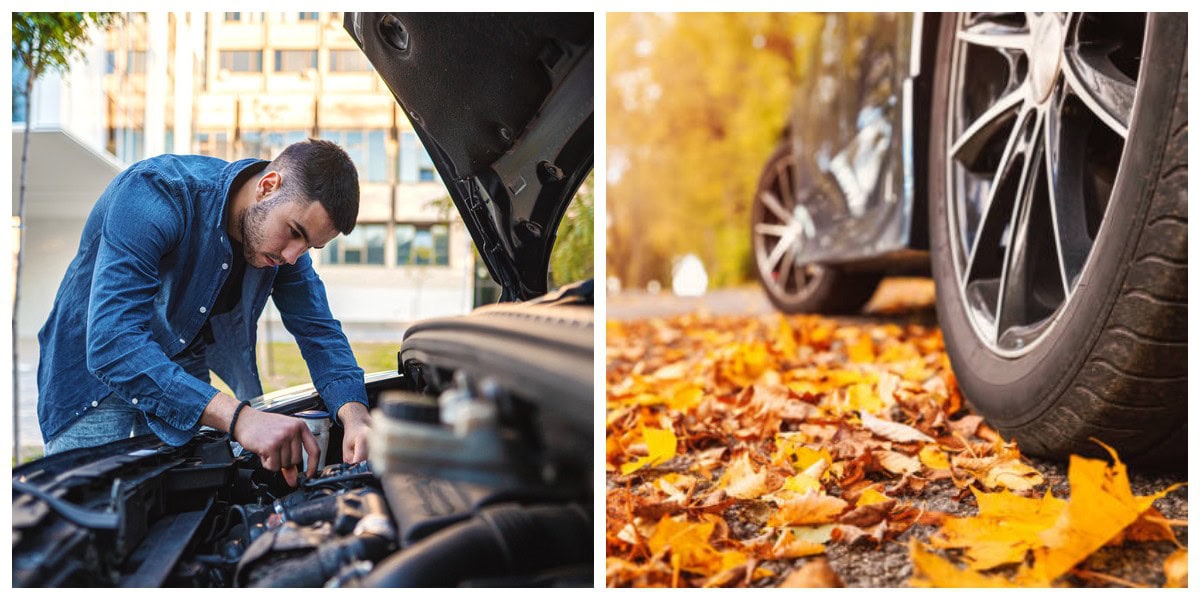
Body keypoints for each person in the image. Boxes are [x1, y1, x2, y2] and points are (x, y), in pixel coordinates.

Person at [36, 139, 371, 486]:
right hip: (92, 382)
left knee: (183, 511)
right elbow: (112, 344)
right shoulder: (155, 193)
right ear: (268, 187)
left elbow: (319, 331)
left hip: (179, 368)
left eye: (309, 247)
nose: (292, 257)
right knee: (87, 519)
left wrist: (356, 415)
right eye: (295, 233)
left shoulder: (284, 248)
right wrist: (241, 418)